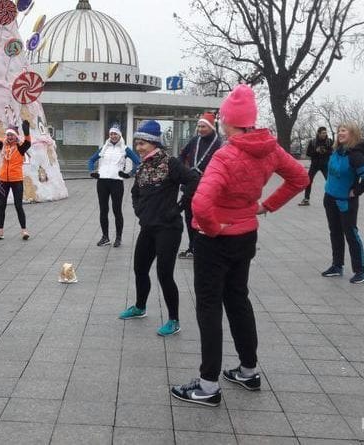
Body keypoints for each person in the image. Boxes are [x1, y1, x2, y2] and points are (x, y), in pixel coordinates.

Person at [169, 84, 308, 407]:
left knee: (209, 308)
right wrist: (266, 205)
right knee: (238, 300)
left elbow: (201, 205)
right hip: (246, 236)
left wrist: (212, 228)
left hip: (215, 241)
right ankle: (248, 370)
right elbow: (300, 178)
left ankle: (207, 385)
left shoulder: (225, 155)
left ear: (229, 121)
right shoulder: (270, 149)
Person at [118, 120, 198, 337]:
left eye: (143, 143)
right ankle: (140, 307)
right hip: (148, 227)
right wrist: (139, 210)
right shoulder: (143, 165)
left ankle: (174, 320)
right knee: (140, 268)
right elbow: (135, 191)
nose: (139, 147)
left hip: (168, 229)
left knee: (165, 274)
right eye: (137, 143)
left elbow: (194, 180)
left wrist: (179, 207)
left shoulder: (170, 163)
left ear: (153, 143)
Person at [321, 123, 364, 284]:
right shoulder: (336, 151)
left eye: (344, 130)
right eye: (339, 131)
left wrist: (356, 191)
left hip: (345, 203)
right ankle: (337, 266)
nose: (340, 133)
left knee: (351, 235)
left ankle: (360, 271)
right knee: (335, 233)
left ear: (353, 134)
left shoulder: (355, 155)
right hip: (329, 198)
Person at [87, 125, 141, 248]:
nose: (113, 136)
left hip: (116, 182)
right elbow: (91, 160)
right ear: (109, 135)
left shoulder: (125, 149)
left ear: (120, 135)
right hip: (102, 182)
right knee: (103, 210)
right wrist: (92, 171)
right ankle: (105, 237)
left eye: (115, 134)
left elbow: (138, 162)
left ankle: (118, 237)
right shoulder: (104, 148)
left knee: (117, 211)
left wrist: (129, 174)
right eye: (111, 134)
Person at [177, 112, 222, 258]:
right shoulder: (195, 140)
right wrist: (182, 172)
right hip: (190, 185)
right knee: (189, 217)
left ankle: (206, 247)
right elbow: (182, 156)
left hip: (207, 186)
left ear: (211, 127)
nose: (201, 129)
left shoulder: (218, 143)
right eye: (199, 126)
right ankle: (192, 247)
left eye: (204, 126)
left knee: (204, 217)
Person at [299, 126, 333, 206]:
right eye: (323, 133)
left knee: (330, 181)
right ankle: (306, 199)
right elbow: (308, 153)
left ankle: (333, 199)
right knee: (308, 181)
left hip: (325, 165)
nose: (325, 134)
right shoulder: (313, 142)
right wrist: (316, 151)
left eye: (325, 132)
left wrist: (325, 151)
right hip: (314, 165)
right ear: (319, 133)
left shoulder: (329, 141)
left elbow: (332, 152)